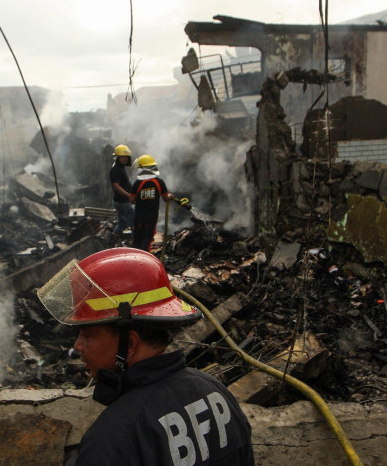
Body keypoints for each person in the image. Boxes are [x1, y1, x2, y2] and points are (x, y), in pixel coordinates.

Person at [37, 248, 254, 465]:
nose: (78, 346)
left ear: (129, 344)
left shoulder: (113, 439)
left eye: (87, 335)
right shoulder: (215, 391)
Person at [129, 154, 186, 253]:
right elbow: (166, 199)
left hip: (139, 216)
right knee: (147, 240)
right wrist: (170, 196)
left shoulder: (137, 183)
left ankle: (135, 259)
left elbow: (132, 200)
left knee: (137, 239)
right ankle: (145, 261)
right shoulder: (159, 182)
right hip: (151, 217)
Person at [109, 144, 135, 244]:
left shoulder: (120, 168)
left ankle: (110, 241)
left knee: (122, 225)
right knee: (134, 223)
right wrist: (129, 196)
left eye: (125, 157)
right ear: (117, 158)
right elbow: (116, 186)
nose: (124, 159)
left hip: (121, 201)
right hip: (122, 202)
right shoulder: (115, 170)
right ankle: (137, 245)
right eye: (122, 157)